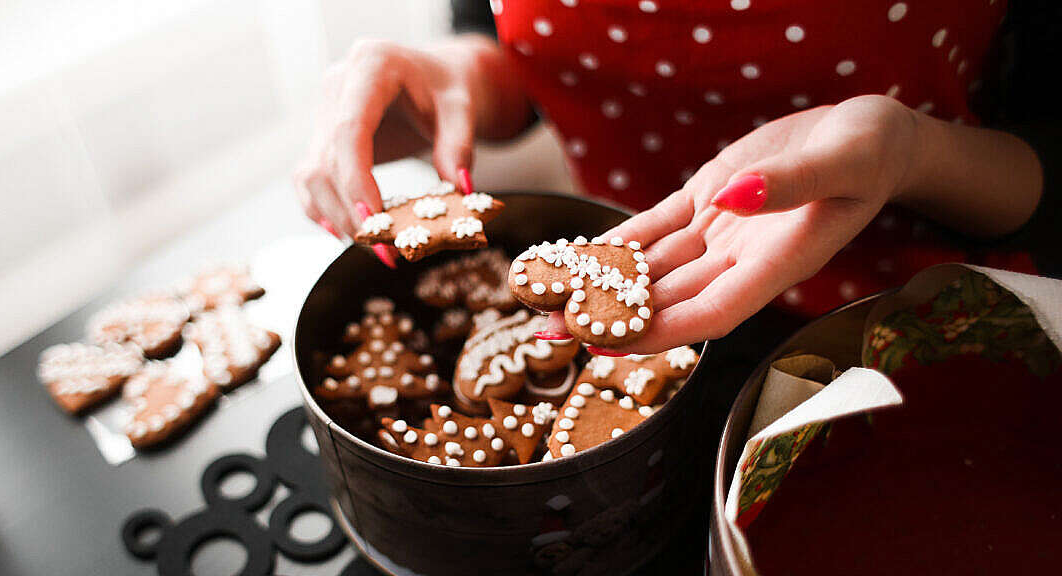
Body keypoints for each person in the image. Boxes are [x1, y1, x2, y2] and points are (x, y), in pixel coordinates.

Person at [296, 0, 1059, 354]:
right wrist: (451, 79)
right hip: (652, 314)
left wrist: (910, 153)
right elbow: (524, 57)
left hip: (938, 341)